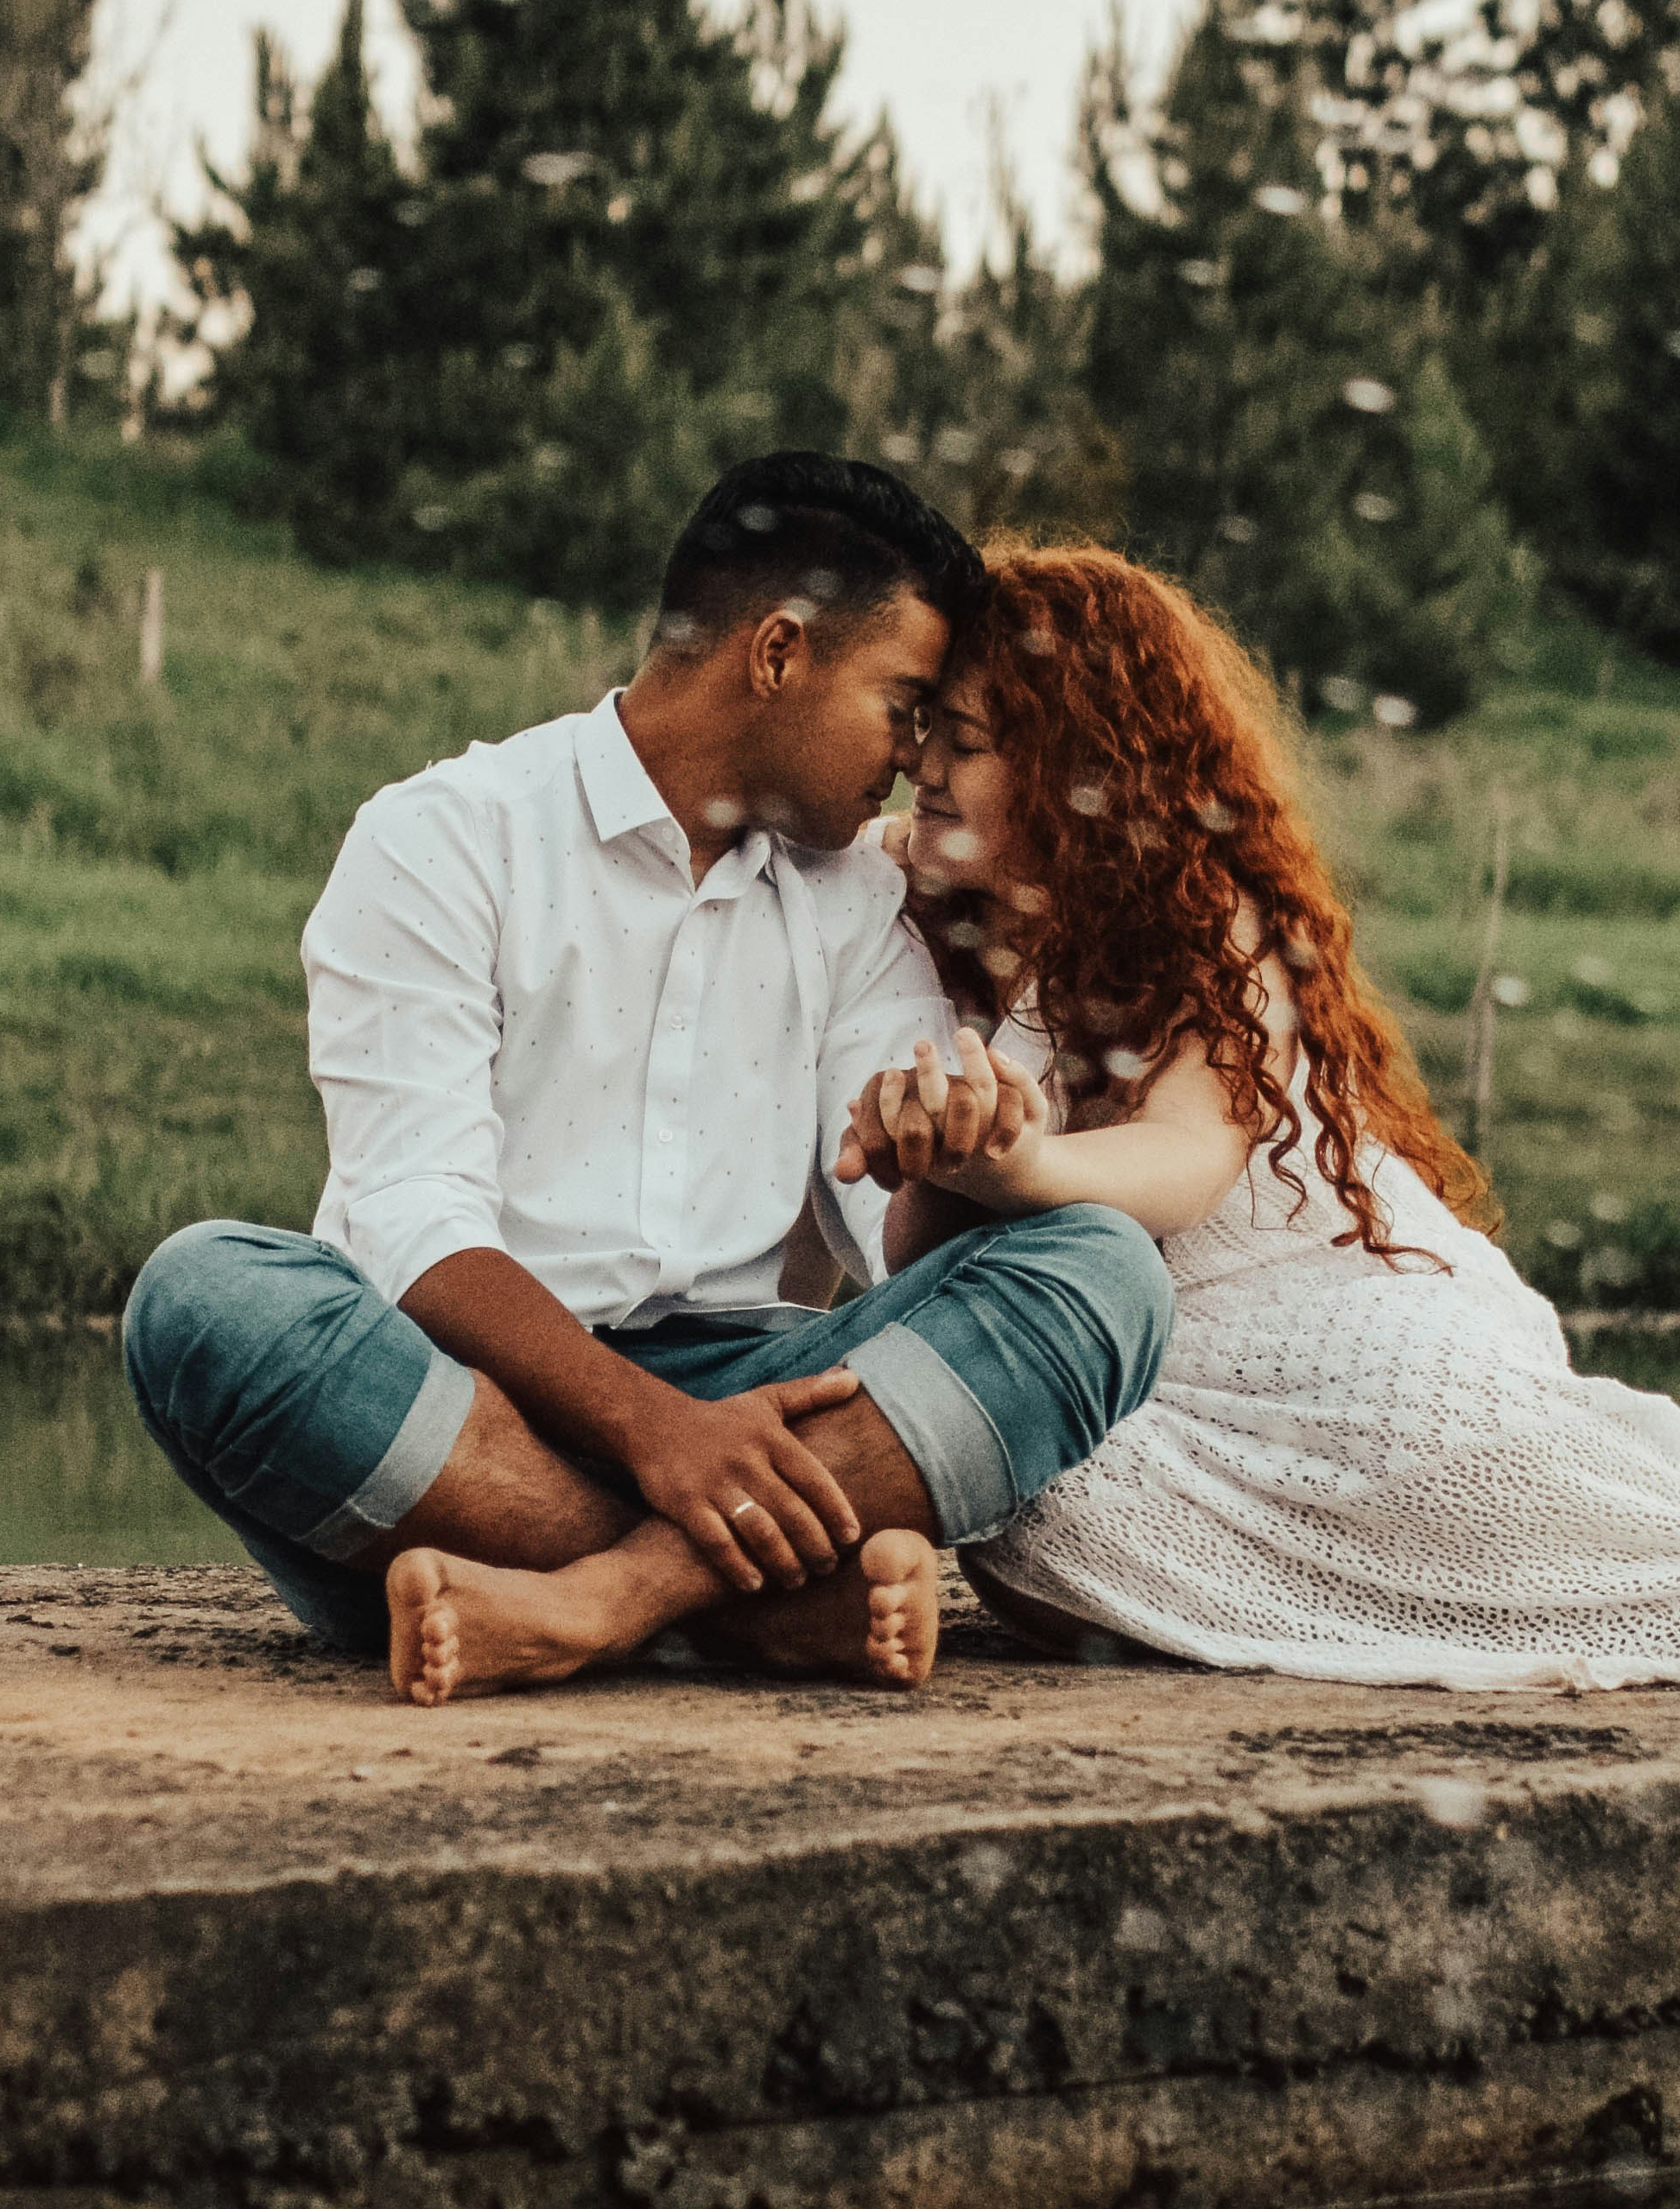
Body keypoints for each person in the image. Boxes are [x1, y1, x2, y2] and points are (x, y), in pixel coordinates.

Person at [859, 543, 1680, 1691]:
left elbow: (1185, 1155)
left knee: (1440, 1461)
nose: (927, 770)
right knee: (1038, 1506)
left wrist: (1016, 1163)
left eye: (963, 743)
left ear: (1081, 768)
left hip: (1331, 1320)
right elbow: (914, 1260)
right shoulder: (938, 922)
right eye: (925, 737)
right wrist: (943, 1156)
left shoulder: (1196, 921)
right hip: (1143, 1360)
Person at [122, 459, 1173, 1705]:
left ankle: (602, 1599)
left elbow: (883, 1234)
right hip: (464, 1404)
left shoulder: (854, 896)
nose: (906, 759)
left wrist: (946, 1151)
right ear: (777, 653)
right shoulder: (445, 836)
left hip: (756, 1399)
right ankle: (761, 1616)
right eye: (900, 704)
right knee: (199, 1302)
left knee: (1102, 1272)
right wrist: (655, 1436)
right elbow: (411, 1221)